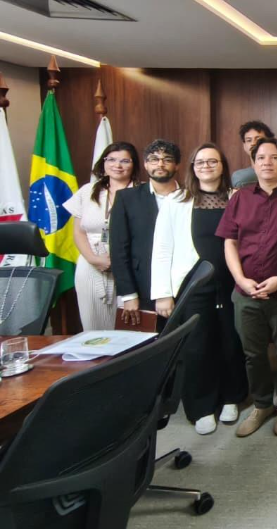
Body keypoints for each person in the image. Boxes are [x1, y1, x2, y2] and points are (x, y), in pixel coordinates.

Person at [150, 143, 248, 435]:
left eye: (212, 161)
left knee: (231, 340)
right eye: (200, 162)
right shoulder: (176, 201)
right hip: (192, 284)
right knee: (197, 345)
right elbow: (162, 248)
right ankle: (202, 407)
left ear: (222, 166)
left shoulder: (237, 197)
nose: (206, 166)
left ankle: (231, 397)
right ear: (193, 167)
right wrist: (162, 293)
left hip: (231, 282)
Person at [217, 137, 277, 438]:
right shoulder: (240, 198)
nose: (267, 162)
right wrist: (241, 280)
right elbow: (230, 242)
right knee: (253, 354)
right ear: (253, 164)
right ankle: (262, 404)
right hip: (246, 292)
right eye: (261, 157)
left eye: (274, 157)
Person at [63, 142, 140, 331]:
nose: (117, 165)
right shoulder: (87, 191)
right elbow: (79, 232)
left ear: (134, 164)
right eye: (111, 159)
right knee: (93, 326)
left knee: (129, 328)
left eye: (124, 161)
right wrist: (94, 259)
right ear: (103, 162)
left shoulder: (143, 192)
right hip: (91, 266)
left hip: (130, 267)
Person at [110, 139, 181, 327]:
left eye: (167, 159)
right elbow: (118, 250)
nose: (160, 164)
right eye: (154, 159)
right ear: (145, 164)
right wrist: (129, 295)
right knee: (150, 342)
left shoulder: (190, 197)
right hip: (142, 287)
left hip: (184, 286)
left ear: (177, 165)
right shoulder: (126, 198)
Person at [231, 120, 277, 188]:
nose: (253, 143)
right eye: (249, 140)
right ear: (244, 145)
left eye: (258, 139)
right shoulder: (238, 177)